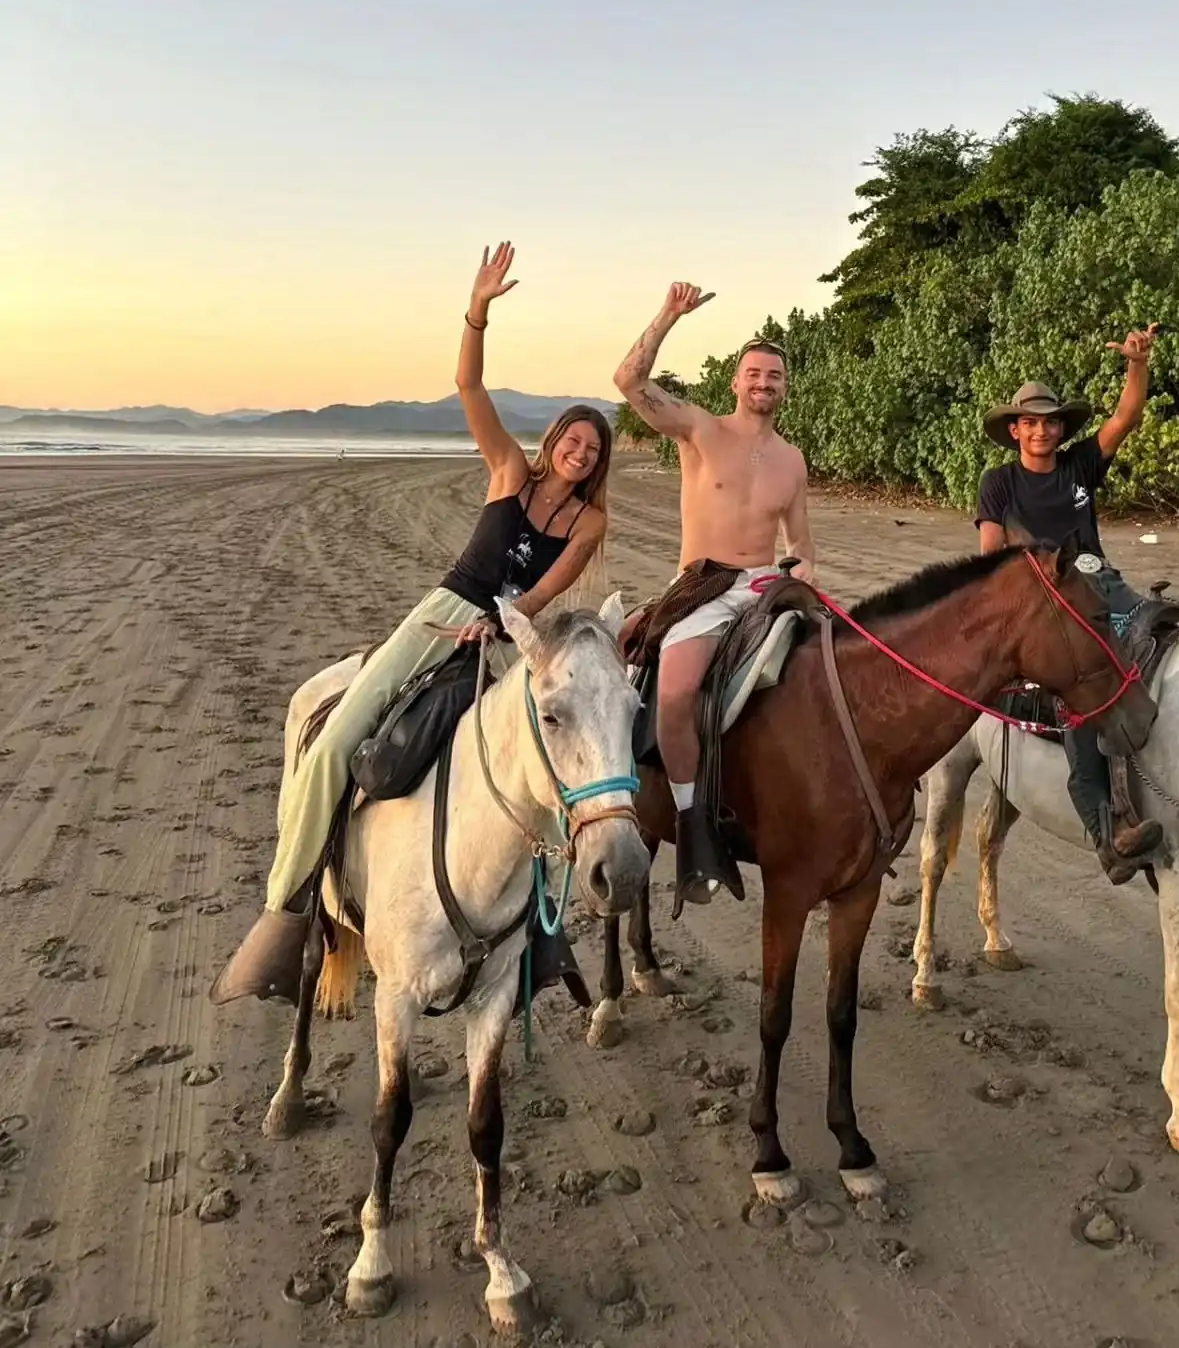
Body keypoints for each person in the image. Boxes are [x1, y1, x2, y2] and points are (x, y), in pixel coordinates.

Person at [212, 242, 612, 1005]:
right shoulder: (507, 472)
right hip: (442, 616)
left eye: (591, 449)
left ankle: (542, 940)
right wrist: (478, 311)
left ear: (598, 463)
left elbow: (544, 592)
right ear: (554, 438)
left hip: (509, 635)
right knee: (333, 745)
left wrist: (504, 627)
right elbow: (467, 382)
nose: (577, 453)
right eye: (570, 439)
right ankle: (285, 914)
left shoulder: (588, 523)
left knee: (549, 775)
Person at [614, 284, 816, 908]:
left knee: (838, 669)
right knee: (675, 692)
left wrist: (803, 573)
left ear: (785, 387)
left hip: (763, 582)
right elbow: (628, 380)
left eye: (775, 375)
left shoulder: (792, 459)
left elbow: (801, 543)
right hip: (702, 582)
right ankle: (692, 823)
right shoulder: (699, 428)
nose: (764, 383)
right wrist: (669, 315)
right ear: (736, 382)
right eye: (754, 373)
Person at [976, 324, 1164, 875]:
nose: (1041, 431)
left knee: (1165, 636)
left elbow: (1126, 417)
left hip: (1100, 583)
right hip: (1042, 598)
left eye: (1050, 422)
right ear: (1015, 430)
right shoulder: (1000, 483)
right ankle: (1107, 828)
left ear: (1061, 428)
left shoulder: (1081, 464)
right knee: (1083, 688)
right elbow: (991, 557)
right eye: (1030, 422)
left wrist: (1137, 364)